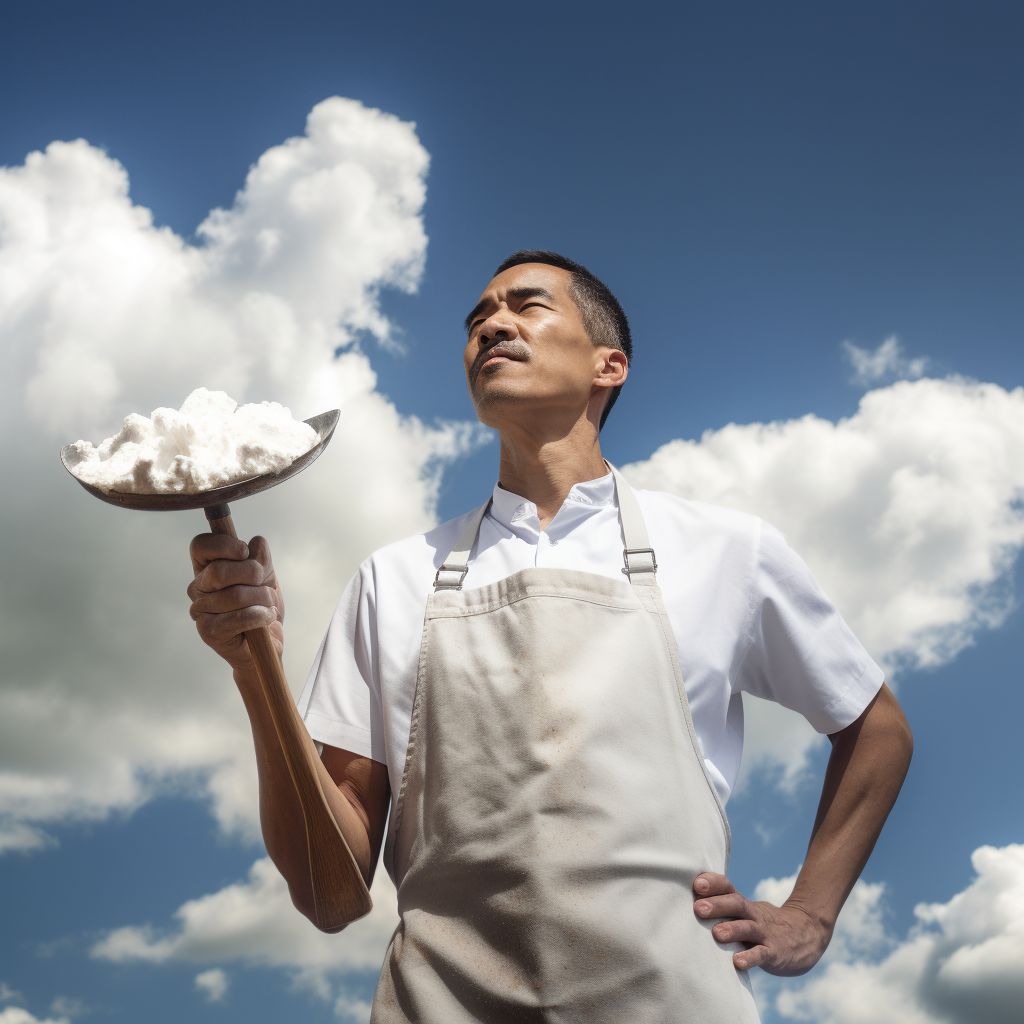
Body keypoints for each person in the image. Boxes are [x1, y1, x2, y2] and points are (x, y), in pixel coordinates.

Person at [187, 251, 913, 1023]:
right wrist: (253, 663)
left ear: (611, 365)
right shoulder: (391, 579)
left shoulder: (730, 550)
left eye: (526, 306)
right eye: (476, 321)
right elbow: (330, 896)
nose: (491, 324)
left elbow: (877, 730)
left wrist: (811, 914)